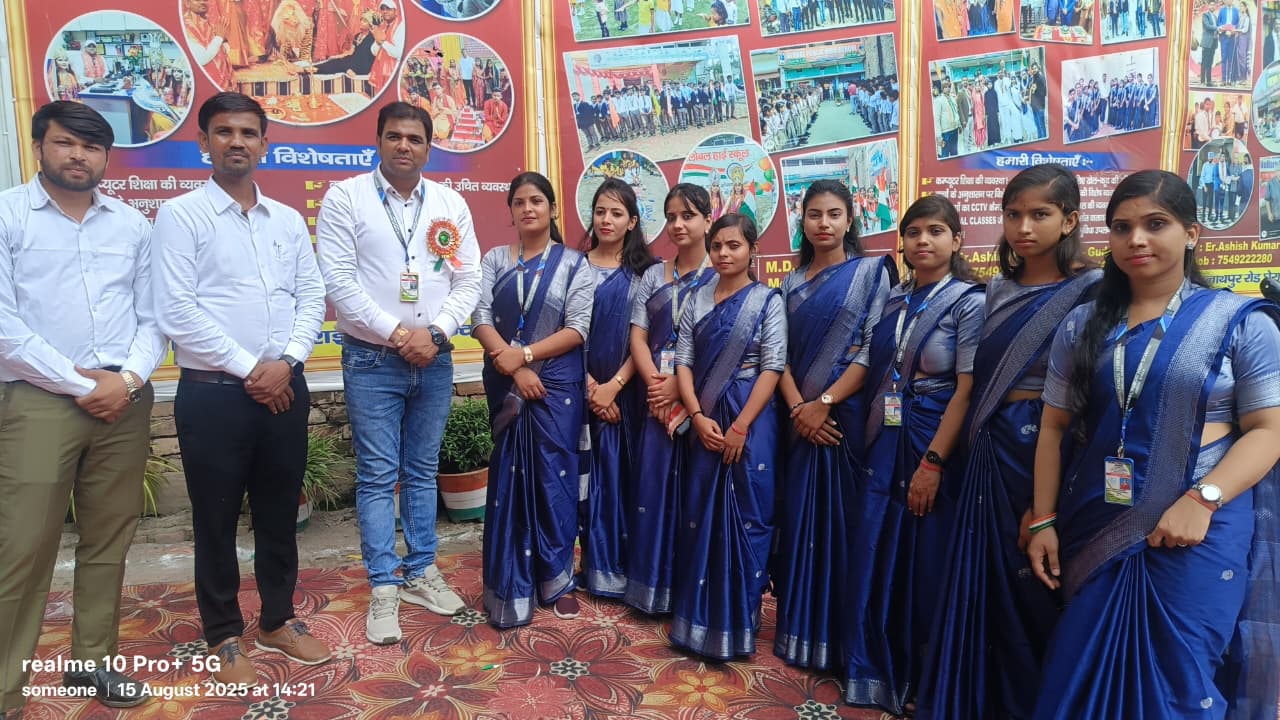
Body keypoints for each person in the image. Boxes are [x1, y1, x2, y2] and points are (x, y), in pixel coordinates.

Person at [1027, 169, 1280, 719]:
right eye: (1121, 227)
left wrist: (1203, 499)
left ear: (1191, 233)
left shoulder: (1239, 323)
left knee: (1180, 681)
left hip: (1197, 530)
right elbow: (1052, 428)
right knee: (1079, 670)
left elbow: (1269, 430)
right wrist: (1042, 520)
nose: (1136, 239)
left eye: (1155, 224)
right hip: (1096, 522)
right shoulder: (1083, 325)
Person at [152, 92, 330, 683]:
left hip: (285, 388)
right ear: (203, 142)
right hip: (214, 396)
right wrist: (253, 369)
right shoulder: (181, 216)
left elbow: (311, 296)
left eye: (249, 133)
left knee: (280, 513)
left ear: (264, 144)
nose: (237, 142)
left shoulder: (286, 220)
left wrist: (288, 361)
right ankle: (224, 634)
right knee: (216, 519)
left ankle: (278, 620)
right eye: (224, 132)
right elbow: (176, 310)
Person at [917, 164, 1102, 720]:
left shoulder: (1093, 291)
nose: (1024, 227)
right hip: (988, 450)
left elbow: (1089, 398)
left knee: (1035, 585)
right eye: (1013, 214)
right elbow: (973, 383)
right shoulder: (995, 290)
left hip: (1047, 449)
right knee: (980, 582)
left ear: (1069, 220)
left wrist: (1046, 506)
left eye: (1040, 214)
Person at [0, 102, 165, 718]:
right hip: (39, 401)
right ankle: (6, 688)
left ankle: (93, 660)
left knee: (108, 539)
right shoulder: (8, 215)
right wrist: (80, 384)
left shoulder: (131, 224)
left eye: (92, 147)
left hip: (123, 401)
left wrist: (128, 380)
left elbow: (154, 316)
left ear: (106, 157)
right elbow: (5, 326)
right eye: (66, 143)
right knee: (22, 547)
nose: (79, 156)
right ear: (38, 147)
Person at [315, 101, 480, 645]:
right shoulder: (346, 198)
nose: (404, 146)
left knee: (423, 470)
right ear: (379, 141)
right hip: (372, 359)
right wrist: (398, 334)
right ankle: (384, 584)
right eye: (394, 136)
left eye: (414, 138)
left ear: (429, 147)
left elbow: (469, 281)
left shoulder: (450, 203)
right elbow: (339, 281)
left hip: (434, 358)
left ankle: (421, 572)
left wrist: (436, 333)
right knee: (377, 475)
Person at [851, 195, 984, 715]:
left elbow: (967, 390)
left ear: (957, 239)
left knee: (924, 559)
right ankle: (872, 668)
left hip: (933, 439)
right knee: (876, 545)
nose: (923, 241)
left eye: (935, 231)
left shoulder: (967, 302)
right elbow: (871, 361)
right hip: (886, 435)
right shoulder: (895, 299)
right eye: (913, 233)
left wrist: (933, 463)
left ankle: (920, 679)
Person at [771, 181, 893, 676]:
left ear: (849, 220)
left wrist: (823, 403)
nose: (824, 223)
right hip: (797, 420)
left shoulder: (870, 274)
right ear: (802, 222)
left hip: (844, 420)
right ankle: (799, 632)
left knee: (844, 524)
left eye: (834, 214)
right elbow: (777, 357)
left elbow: (872, 348)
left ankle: (842, 639)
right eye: (815, 214)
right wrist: (799, 409)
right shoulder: (789, 284)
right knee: (799, 521)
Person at [473, 172, 593, 627]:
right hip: (507, 382)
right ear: (510, 210)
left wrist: (524, 356)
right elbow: (480, 316)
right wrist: (514, 367)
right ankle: (510, 582)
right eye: (520, 201)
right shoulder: (494, 259)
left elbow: (577, 328)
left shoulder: (574, 264)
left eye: (537, 201)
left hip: (555, 387)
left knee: (554, 479)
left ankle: (557, 580)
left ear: (552, 209)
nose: (528, 209)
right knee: (510, 480)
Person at [671, 213, 785, 659]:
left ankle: (740, 623)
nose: (723, 253)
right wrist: (697, 416)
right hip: (705, 419)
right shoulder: (697, 298)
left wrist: (741, 426)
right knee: (700, 514)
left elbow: (772, 366)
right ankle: (697, 622)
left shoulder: (767, 301)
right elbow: (683, 361)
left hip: (751, 422)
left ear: (753, 250)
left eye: (734, 245)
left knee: (749, 516)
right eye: (717, 245)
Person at [623, 184, 716, 614]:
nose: (678, 224)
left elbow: (725, 345)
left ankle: (689, 592)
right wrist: (657, 385)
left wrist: (680, 385)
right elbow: (638, 336)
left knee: (696, 495)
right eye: (672, 216)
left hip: (700, 399)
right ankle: (651, 589)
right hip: (656, 399)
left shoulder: (723, 273)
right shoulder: (653, 275)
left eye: (689, 216)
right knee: (653, 491)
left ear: (708, 220)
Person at [580, 179, 656, 599]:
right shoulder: (573, 267)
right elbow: (564, 331)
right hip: (578, 390)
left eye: (616, 213)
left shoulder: (647, 273)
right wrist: (592, 387)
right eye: (600, 211)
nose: (606, 220)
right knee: (585, 482)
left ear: (632, 221)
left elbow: (646, 337)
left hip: (630, 394)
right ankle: (594, 566)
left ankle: (629, 569)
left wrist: (614, 386)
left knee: (629, 479)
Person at [184, 0, 234, 89]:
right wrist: (219, 38)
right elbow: (202, 59)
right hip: (207, 84)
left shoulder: (207, 21)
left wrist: (223, 42)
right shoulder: (187, 26)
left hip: (222, 80)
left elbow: (222, 48)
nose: (203, 2)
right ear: (187, 3)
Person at [367, 0, 405, 89]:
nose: (385, 11)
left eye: (388, 9)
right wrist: (378, 42)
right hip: (381, 71)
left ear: (395, 10)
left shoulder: (401, 26)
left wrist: (383, 42)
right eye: (383, 9)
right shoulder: (382, 26)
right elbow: (374, 52)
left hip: (394, 72)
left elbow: (398, 53)